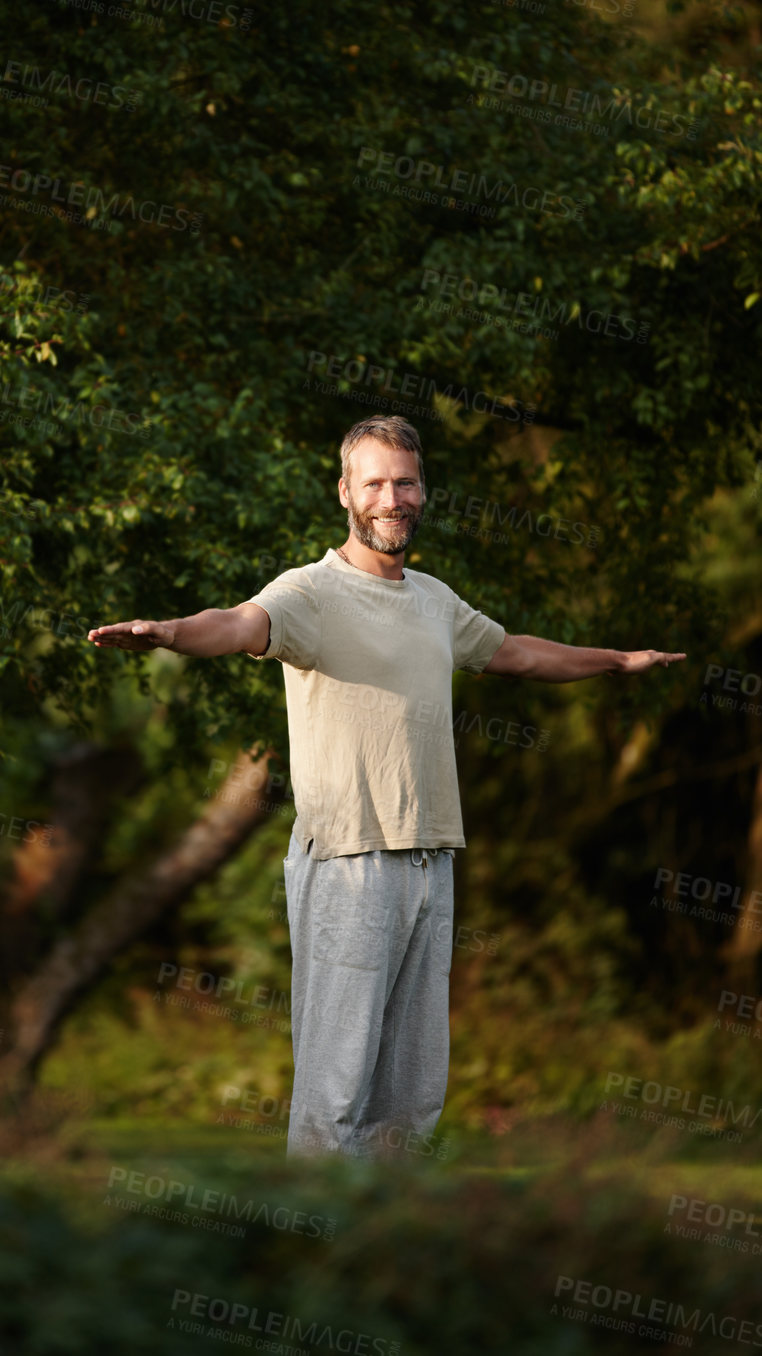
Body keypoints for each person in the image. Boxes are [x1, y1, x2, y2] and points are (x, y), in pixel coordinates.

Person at [86, 415, 685, 1161]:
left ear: (423, 491)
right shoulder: (310, 592)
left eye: (405, 482)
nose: (391, 497)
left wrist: (616, 661)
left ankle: (378, 1243)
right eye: (375, 482)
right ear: (345, 492)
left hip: (432, 858)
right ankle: (308, 1240)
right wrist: (172, 633)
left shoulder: (435, 601)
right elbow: (237, 624)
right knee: (336, 1088)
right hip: (350, 859)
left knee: (412, 1092)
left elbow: (520, 655)